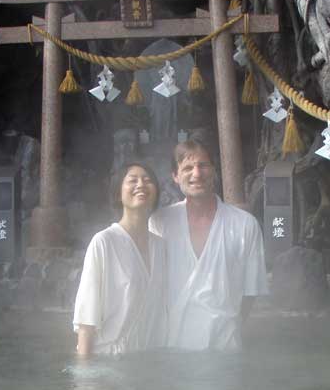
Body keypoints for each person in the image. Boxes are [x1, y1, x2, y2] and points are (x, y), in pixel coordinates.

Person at [149, 140, 268, 350]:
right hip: (172, 347)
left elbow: (251, 290)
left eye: (203, 165)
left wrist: (228, 327)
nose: (197, 173)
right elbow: (151, 286)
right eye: (187, 167)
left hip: (224, 346)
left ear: (214, 171)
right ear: (175, 176)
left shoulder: (244, 224)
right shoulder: (160, 222)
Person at [73, 162, 167, 356]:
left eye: (147, 180)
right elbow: (86, 322)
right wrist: (85, 381)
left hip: (150, 361)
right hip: (110, 361)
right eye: (132, 180)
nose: (140, 184)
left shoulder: (161, 247)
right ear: (118, 193)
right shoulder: (104, 242)